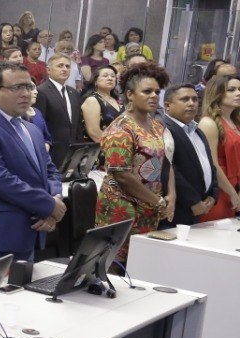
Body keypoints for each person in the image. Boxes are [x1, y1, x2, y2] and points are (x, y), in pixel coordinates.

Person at [0, 62, 66, 267]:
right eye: (17, 87)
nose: (25, 93)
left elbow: (50, 171)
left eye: (29, 87)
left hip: (32, 231)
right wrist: (49, 205)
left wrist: (54, 202)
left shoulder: (32, 129)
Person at [96, 62, 172, 264]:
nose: (154, 96)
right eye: (147, 91)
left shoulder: (157, 126)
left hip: (150, 205)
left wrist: (169, 196)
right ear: (130, 94)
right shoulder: (120, 128)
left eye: (157, 92)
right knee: (115, 264)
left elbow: (167, 160)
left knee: (141, 263)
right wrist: (157, 201)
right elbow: (122, 175)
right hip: (122, 207)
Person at [161, 83, 217, 227]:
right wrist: (192, 201)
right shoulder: (162, 129)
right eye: (184, 99)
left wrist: (213, 194)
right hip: (177, 208)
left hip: (201, 206)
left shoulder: (197, 130)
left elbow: (209, 165)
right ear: (167, 106)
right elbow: (169, 168)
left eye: (194, 99)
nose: (191, 103)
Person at [197, 73, 240, 222]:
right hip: (218, 190)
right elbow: (212, 164)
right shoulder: (209, 123)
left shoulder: (236, 122)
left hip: (234, 188)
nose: (238, 93)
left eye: (239, 89)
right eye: (232, 90)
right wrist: (232, 193)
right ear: (218, 92)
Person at [37, 53, 84, 169]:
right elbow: (39, 124)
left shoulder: (73, 93)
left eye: (68, 66)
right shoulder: (41, 92)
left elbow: (77, 124)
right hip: (51, 152)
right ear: (48, 70)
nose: (65, 69)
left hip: (73, 153)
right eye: (60, 66)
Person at [81, 65, 122, 144]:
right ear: (95, 81)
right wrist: (114, 148)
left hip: (123, 147)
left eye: (113, 76)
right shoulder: (92, 100)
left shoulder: (118, 100)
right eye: (105, 76)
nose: (110, 78)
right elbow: (93, 131)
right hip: (103, 149)